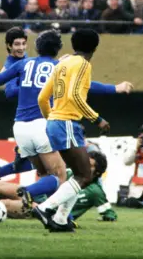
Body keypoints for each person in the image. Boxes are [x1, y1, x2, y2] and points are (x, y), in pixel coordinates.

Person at [0, 30, 132, 202]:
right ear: (58, 49)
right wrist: (115, 88)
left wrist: (10, 65)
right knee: (60, 176)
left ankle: (46, 212)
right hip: (41, 124)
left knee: (44, 174)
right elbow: (88, 86)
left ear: (36, 47)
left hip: (19, 127)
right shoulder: (58, 66)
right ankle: (31, 195)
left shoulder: (24, 64)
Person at [32, 29, 112, 232]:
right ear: (95, 47)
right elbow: (75, 95)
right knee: (85, 175)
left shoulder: (63, 63)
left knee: (78, 175)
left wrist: (51, 118)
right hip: (67, 122)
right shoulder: (83, 64)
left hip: (55, 122)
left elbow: (42, 97)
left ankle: (60, 220)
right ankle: (45, 208)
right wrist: (97, 119)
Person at [0, 150, 116, 222]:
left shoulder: (94, 191)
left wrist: (107, 217)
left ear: (98, 172)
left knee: (4, 205)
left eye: (91, 166)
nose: (85, 166)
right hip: (39, 199)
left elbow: (110, 213)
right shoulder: (71, 174)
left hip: (45, 212)